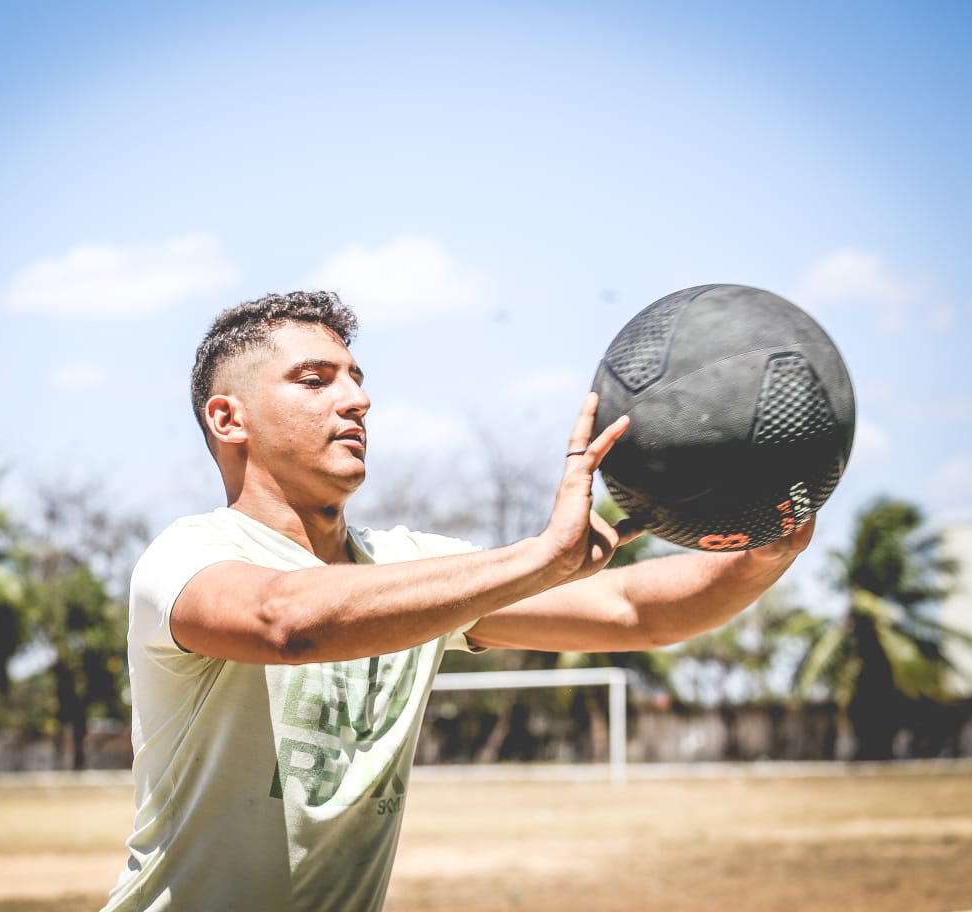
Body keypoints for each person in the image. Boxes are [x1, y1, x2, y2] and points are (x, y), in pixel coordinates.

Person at [101, 290, 813, 911]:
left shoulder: (410, 569)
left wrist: (764, 551)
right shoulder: (188, 557)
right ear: (229, 419)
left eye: (356, 378)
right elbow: (285, 620)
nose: (356, 399)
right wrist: (538, 557)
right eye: (314, 380)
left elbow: (637, 611)